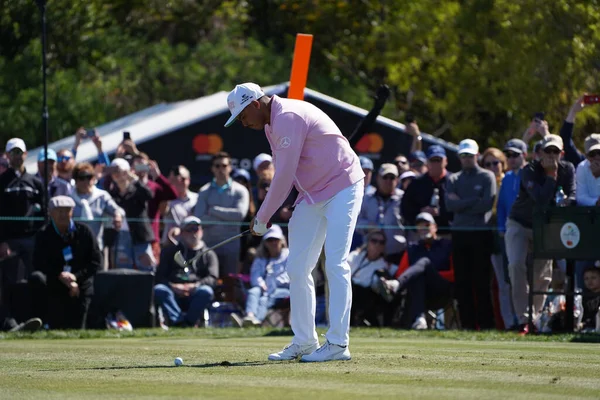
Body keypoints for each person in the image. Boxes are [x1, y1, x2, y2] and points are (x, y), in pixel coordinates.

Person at [224, 82, 364, 362]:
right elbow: (289, 175)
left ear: (254, 104)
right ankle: (305, 341)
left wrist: (262, 217)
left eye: (242, 116)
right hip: (312, 195)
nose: (243, 123)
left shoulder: (287, 116)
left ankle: (338, 344)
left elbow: (284, 176)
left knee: (336, 262)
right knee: (296, 267)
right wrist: (264, 215)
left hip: (343, 185)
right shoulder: (270, 124)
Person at [505, 134, 576, 333]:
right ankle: (522, 319)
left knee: (542, 276)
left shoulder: (568, 169)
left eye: (555, 151)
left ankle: (533, 319)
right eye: (548, 151)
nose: (551, 155)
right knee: (516, 265)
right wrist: (551, 177)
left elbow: (572, 194)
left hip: (544, 226)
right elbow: (540, 199)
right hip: (519, 223)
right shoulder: (530, 170)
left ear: (561, 153)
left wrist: (567, 201)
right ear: (540, 153)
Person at [445, 139, 496, 330]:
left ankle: (486, 324)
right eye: (463, 155)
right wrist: (474, 199)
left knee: (482, 281)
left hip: (480, 234)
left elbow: (486, 205)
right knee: (462, 282)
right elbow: (450, 205)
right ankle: (467, 325)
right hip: (460, 235)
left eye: (470, 155)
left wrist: (463, 202)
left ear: (477, 155)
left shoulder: (487, 176)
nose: (467, 158)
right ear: (459, 157)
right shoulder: (453, 179)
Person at [31, 196, 102, 329]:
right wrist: (60, 275)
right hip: (55, 283)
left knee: (78, 327)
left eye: (66, 210)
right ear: (51, 213)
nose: (63, 214)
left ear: (72, 212)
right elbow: (39, 262)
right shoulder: (44, 234)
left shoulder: (85, 232)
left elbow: (96, 262)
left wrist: (76, 278)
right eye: (59, 211)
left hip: (81, 283)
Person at [377, 212, 454, 330]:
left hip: (442, 290)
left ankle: (395, 284)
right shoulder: (412, 248)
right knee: (418, 276)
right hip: (419, 292)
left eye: (427, 225)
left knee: (424, 263)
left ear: (435, 227)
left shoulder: (447, 245)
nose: (423, 229)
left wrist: (430, 273)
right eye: (420, 226)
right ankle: (420, 319)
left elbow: (454, 274)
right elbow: (401, 273)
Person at [154, 216, 217, 327]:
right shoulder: (170, 252)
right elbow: (160, 276)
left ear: (201, 231)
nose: (193, 233)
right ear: (182, 233)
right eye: (189, 230)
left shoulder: (209, 254)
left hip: (195, 293)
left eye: (196, 229)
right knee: (159, 289)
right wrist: (173, 286)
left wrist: (195, 286)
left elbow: (212, 278)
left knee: (206, 291)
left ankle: (188, 323)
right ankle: (178, 322)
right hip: (173, 293)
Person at [194, 152, 249, 277]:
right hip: (208, 246)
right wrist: (227, 218)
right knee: (208, 281)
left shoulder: (241, 190)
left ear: (230, 167)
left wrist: (213, 210)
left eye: (224, 165)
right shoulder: (204, 191)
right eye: (217, 166)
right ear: (212, 168)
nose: (220, 169)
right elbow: (200, 220)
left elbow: (239, 215)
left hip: (231, 246)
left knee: (230, 284)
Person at [481, 147, 516, 330]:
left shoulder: (510, 181)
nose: (492, 167)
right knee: (503, 284)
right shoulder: (484, 184)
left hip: (513, 235)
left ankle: (522, 320)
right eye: (487, 164)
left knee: (517, 280)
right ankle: (508, 323)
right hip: (494, 240)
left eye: (496, 163)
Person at [230, 225, 290, 327]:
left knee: (264, 299)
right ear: (265, 242)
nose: (273, 243)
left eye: (276, 239)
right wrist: (262, 284)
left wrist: (271, 284)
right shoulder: (260, 258)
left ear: (282, 240)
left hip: (284, 290)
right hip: (264, 290)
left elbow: (289, 277)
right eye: (270, 240)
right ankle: (249, 317)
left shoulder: (288, 256)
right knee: (254, 291)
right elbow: (255, 276)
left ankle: (255, 321)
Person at [0, 138, 44, 275]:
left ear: (25, 154)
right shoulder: (1, 181)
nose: (17, 156)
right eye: (13, 152)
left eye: (20, 152)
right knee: (10, 284)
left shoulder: (35, 182)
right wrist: (2, 241)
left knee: (35, 278)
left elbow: (44, 211)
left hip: (32, 239)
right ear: (7, 155)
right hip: (9, 241)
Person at [108, 158, 156, 270]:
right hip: (121, 235)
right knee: (122, 268)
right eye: (113, 171)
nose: (115, 174)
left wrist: (133, 178)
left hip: (139, 235)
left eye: (118, 170)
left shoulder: (136, 189)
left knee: (146, 267)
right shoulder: (112, 193)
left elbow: (149, 195)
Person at [131, 153, 177, 261]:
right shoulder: (128, 186)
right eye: (137, 166)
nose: (141, 169)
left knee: (151, 270)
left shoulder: (154, 186)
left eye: (143, 165)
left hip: (151, 236)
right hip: (131, 237)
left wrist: (158, 175)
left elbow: (172, 195)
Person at [70, 162, 124, 253]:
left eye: (89, 177)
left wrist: (117, 215)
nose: (86, 181)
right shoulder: (69, 199)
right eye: (82, 178)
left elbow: (118, 210)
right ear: (75, 180)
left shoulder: (101, 196)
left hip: (97, 246)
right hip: (75, 247)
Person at [357, 163, 405, 261]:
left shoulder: (404, 199)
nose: (388, 181)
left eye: (392, 178)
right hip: (370, 254)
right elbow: (356, 222)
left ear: (397, 180)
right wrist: (368, 226)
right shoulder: (366, 198)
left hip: (397, 254)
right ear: (378, 178)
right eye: (385, 177)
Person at [401, 145, 452, 236]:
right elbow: (405, 208)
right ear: (427, 162)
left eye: (438, 160)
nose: (435, 164)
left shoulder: (454, 182)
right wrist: (421, 212)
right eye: (432, 160)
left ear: (446, 161)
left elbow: (461, 209)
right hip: (421, 235)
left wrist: (441, 212)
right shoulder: (417, 183)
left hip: (448, 234)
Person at [347, 230, 391, 326]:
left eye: (381, 242)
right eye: (374, 241)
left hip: (366, 294)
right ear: (367, 242)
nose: (377, 244)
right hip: (348, 288)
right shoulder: (356, 256)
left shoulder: (383, 265)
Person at [574, 134, 600, 289]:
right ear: (586, 155)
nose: (596, 157)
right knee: (584, 268)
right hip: (588, 224)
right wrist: (596, 202)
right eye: (592, 154)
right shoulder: (582, 168)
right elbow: (580, 197)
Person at [162, 165, 198, 246]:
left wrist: (180, 230)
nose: (179, 182)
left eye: (183, 179)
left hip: (190, 244)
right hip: (170, 244)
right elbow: (163, 212)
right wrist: (168, 185)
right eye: (175, 179)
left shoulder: (197, 198)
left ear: (188, 180)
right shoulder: (167, 199)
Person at [559, 95, 587, 167]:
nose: (596, 157)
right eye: (593, 153)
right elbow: (565, 140)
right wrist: (573, 111)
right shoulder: (583, 164)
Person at [579, 266, 600, 332]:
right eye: (586, 278)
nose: (589, 281)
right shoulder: (582, 296)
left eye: (593, 278)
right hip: (585, 327)